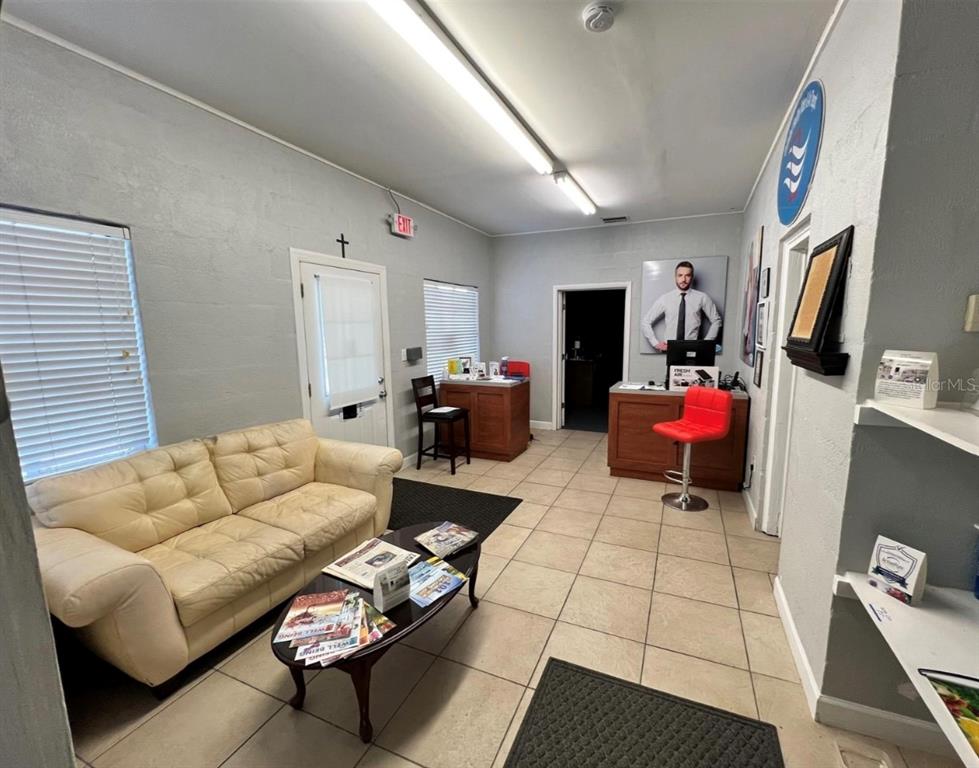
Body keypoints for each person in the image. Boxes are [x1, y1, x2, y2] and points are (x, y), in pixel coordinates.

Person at [642, 261, 722, 352]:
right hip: (670, 349)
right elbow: (646, 322)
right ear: (675, 277)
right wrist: (655, 343)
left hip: (692, 349)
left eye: (687, 275)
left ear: (691, 277)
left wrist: (706, 343)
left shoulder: (702, 297)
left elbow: (716, 320)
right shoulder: (665, 298)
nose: (683, 279)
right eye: (680, 275)